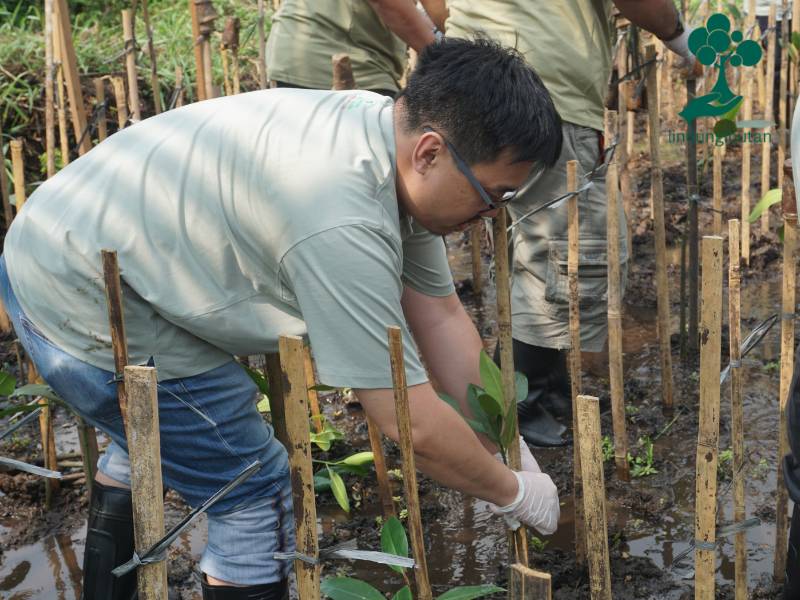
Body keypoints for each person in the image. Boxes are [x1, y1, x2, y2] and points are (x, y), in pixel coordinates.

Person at [1, 38, 562, 599]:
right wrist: (510, 492)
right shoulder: (342, 219)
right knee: (253, 488)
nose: (492, 216)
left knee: (152, 435)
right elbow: (404, 418)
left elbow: (440, 318)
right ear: (431, 152)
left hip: (65, 239)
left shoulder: (384, 134)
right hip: (77, 294)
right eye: (492, 195)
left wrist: (504, 443)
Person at [444, 0, 696, 447]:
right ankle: (522, 402)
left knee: (527, 244)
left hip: (479, 80)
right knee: (570, 251)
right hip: (546, 94)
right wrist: (679, 35)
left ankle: (547, 381)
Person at [266, 0, 446, 96]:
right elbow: (388, 3)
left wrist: (442, 37)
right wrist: (448, 57)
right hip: (333, 54)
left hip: (302, 50)